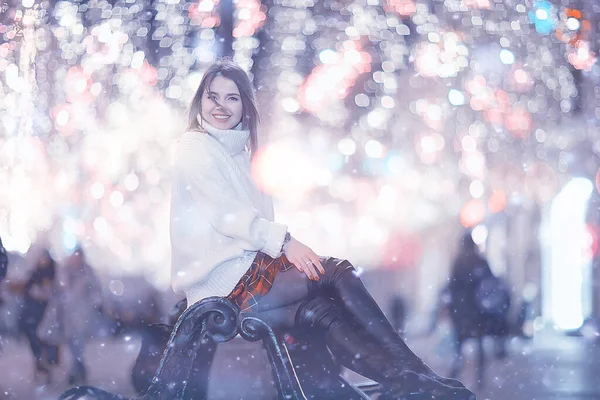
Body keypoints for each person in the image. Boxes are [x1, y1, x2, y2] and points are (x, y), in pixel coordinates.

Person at [169, 58, 475, 399]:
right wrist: (285, 243)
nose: (221, 106)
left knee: (321, 311)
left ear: (245, 106)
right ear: (201, 101)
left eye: (232, 98)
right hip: (222, 285)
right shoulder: (194, 147)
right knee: (335, 271)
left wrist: (280, 248)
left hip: (246, 274)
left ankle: (411, 381)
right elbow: (228, 215)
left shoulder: (237, 153)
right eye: (213, 96)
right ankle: (419, 375)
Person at [447, 232, 509, 387]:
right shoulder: (478, 261)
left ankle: (455, 374)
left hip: (463, 310)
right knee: (478, 344)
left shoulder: (459, 262)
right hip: (477, 309)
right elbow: (490, 282)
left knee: (461, 345)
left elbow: (453, 286)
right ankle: (479, 377)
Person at [59, 246, 104, 385]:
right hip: (67, 314)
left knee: (78, 342)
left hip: (82, 313)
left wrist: (96, 302)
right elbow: (59, 291)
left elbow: (96, 290)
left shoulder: (87, 272)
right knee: (72, 343)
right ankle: (80, 368)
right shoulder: (65, 271)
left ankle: (75, 372)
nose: (76, 259)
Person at [18, 248, 57, 381]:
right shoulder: (35, 274)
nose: (43, 261)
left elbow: (54, 293)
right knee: (35, 339)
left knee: (46, 340)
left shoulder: (53, 274)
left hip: (46, 314)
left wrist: (44, 294)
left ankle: (46, 365)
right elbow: (26, 291)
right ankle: (39, 363)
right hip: (33, 314)